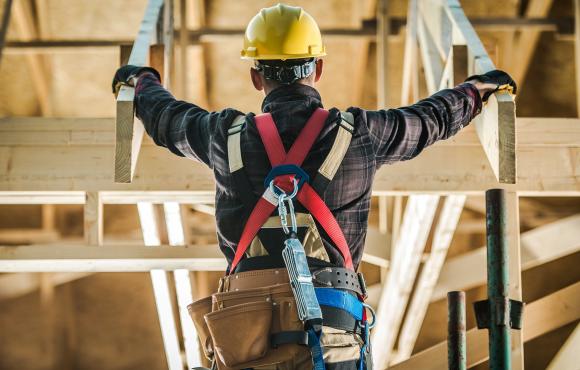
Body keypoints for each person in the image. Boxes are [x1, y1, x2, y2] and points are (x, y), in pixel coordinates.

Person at [113, 4, 516, 369]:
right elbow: (428, 120)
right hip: (332, 335)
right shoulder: (360, 135)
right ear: (318, 68)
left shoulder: (225, 136)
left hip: (244, 340)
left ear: (256, 75)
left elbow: (167, 119)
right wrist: (475, 91)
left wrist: (142, 80)